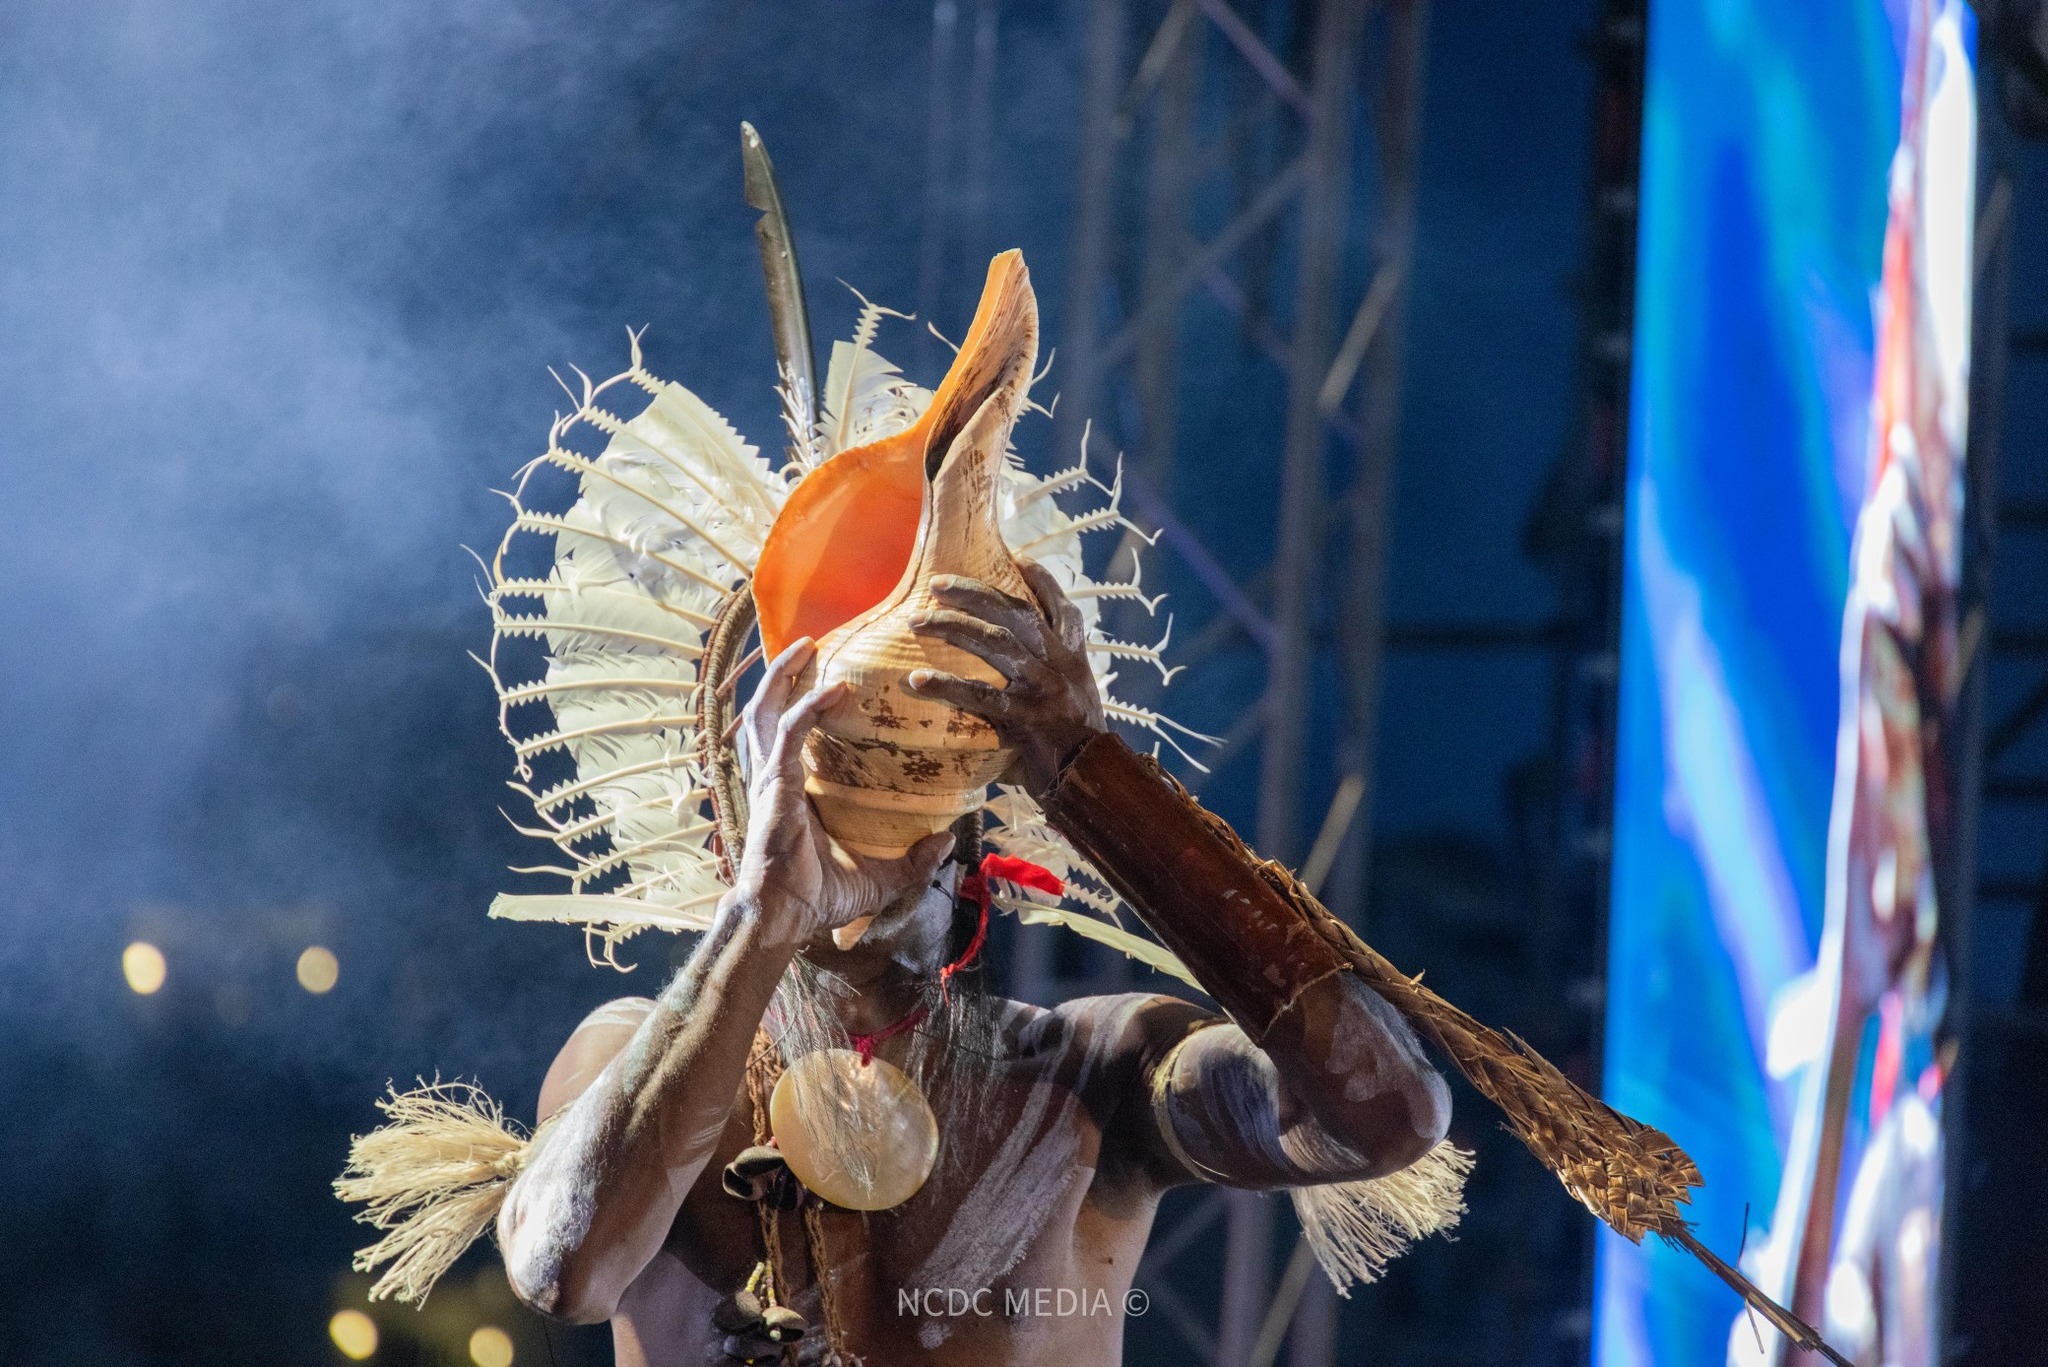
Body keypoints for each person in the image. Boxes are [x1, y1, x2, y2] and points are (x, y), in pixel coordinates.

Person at [495, 564, 1454, 1366]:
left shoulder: (1091, 1072)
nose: (868, 813)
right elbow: (563, 1270)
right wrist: (761, 917)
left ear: (974, 822)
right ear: (741, 832)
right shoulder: (628, 1059)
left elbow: (1388, 1116)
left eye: (909, 761)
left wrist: (1094, 779)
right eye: (833, 768)